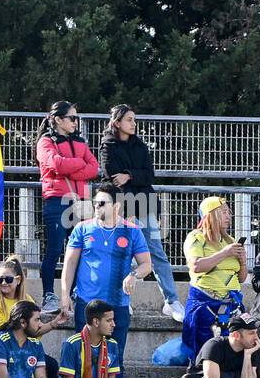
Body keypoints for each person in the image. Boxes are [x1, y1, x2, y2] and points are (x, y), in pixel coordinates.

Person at [98, 103, 184, 321]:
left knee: (157, 253)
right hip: (123, 207)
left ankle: (171, 301)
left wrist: (129, 175)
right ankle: (122, 302)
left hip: (145, 206)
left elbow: (149, 175)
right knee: (123, 255)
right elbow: (111, 176)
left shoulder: (140, 146)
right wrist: (128, 203)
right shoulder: (108, 145)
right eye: (129, 119)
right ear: (117, 123)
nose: (133, 124)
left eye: (134, 119)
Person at [59, 183, 153, 359]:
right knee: (84, 359)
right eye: (95, 202)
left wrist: (133, 275)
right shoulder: (82, 228)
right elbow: (69, 264)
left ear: (116, 206)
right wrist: (64, 295)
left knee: (114, 361)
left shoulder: (131, 231)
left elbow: (146, 264)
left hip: (118, 305)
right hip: (87, 304)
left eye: (102, 203)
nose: (96, 206)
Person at [36, 100, 98, 313]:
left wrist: (71, 168)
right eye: (71, 118)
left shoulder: (80, 141)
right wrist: (78, 164)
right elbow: (55, 164)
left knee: (78, 250)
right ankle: (48, 296)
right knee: (54, 249)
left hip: (80, 202)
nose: (75, 122)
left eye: (76, 118)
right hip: (56, 200)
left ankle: (72, 294)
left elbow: (93, 168)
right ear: (58, 120)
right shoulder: (45, 141)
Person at [183, 195, 246, 361]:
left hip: (231, 303)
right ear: (211, 215)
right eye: (223, 212)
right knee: (205, 350)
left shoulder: (229, 240)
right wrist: (225, 253)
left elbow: (241, 278)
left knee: (233, 351)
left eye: (229, 213)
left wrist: (243, 262)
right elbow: (196, 266)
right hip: (205, 302)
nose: (228, 216)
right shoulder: (196, 237)